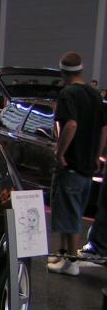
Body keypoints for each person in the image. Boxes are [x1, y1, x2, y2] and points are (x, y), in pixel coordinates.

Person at [47, 51, 107, 276]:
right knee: (71, 211)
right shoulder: (94, 94)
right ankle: (63, 253)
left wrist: (60, 152)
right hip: (86, 167)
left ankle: (71, 262)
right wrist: (96, 155)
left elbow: (70, 125)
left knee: (69, 213)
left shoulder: (68, 94)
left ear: (62, 72)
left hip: (71, 165)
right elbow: (104, 128)